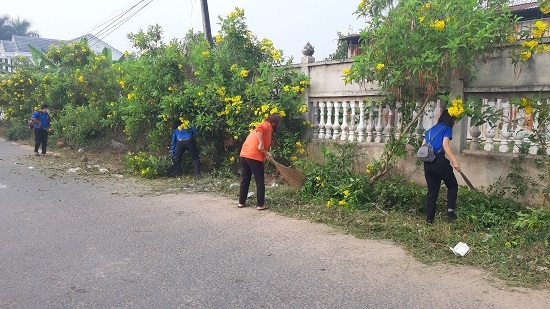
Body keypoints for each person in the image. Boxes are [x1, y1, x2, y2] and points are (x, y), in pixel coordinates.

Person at [423, 109, 460, 223]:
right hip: (439, 160)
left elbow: (423, 146)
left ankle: (429, 219)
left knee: (432, 191)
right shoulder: (446, 129)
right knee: (453, 185)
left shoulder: (429, 131)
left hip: (427, 162)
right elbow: (445, 145)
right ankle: (450, 212)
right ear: (451, 119)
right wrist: (455, 161)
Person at [238, 114, 281, 211]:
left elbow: (261, 143)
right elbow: (259, 129)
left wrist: (266, 153)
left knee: (245, 179)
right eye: (278, 124)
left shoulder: (268, 130)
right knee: (260, 182)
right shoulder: (267, 125)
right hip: (254, 157)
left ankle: (241, 202)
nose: (278, 126)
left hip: (244, 155)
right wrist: (261, 143)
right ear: (274, 123)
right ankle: (260, 205)